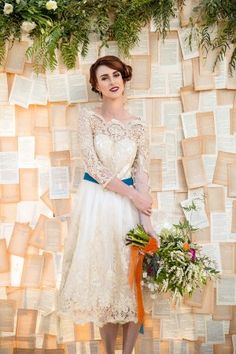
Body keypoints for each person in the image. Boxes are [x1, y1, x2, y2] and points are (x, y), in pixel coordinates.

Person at [58, 55, 157, 354]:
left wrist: (147, 222)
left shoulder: (139, 125)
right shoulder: (89, 119)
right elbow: (94, 166)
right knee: (105, 281)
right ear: (96, 86)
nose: (112, 82)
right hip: (97, 205)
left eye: (116, 75)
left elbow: (142, 172)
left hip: (128, 210)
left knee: (129, 284)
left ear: (124, 78)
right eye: (104, 78)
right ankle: (109, 352)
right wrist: (132, 195)